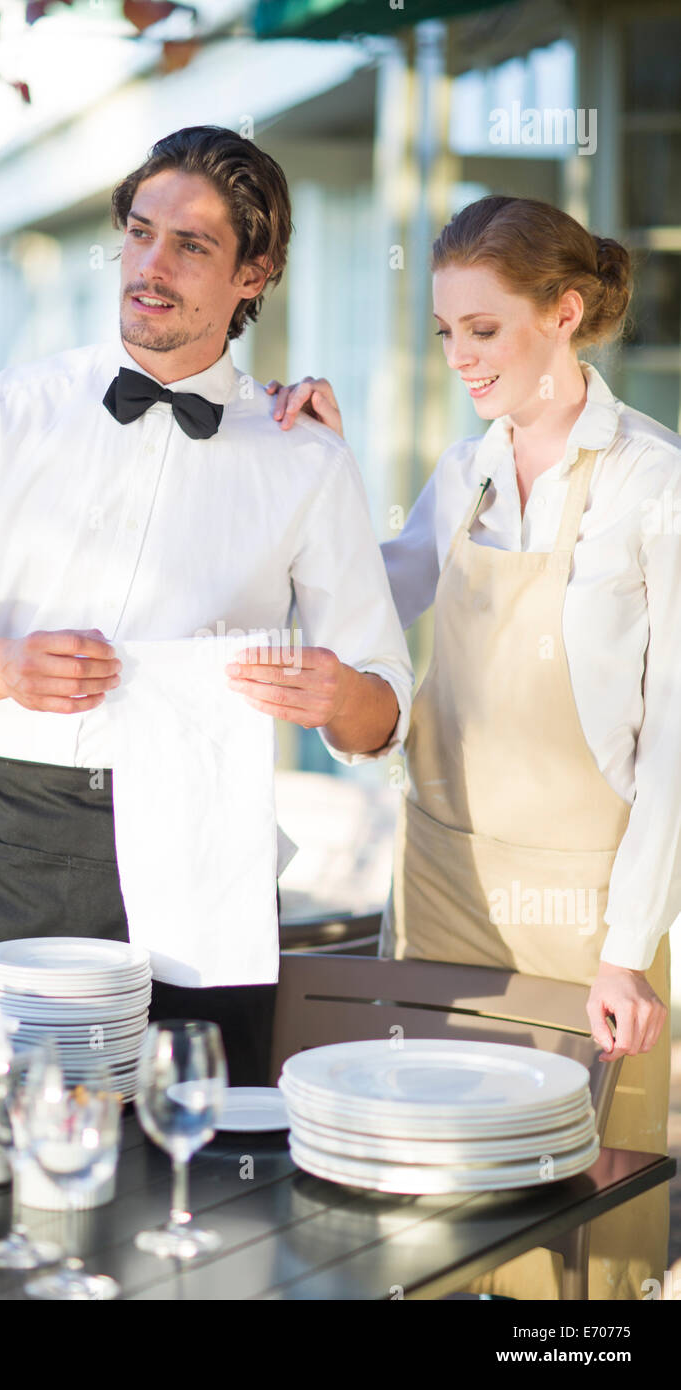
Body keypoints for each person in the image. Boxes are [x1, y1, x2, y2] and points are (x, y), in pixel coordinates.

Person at [0, 125, 413, 1089]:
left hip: (213, 859)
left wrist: (336, 698)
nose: (151, 267)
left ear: (257, 273)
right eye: (140, 231)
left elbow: (385, 710)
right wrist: (1, 665)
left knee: (199, 1178)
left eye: (193, 245)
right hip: (30, 848)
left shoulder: (305, 457)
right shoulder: (6, 413)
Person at [266, 194, 678, 1300]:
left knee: (573, 1243)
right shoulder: (466, 471)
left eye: (481, 330)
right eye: (444, 332)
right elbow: (369, 593)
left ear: (563, 311)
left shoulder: (652, 481)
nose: (458, 357)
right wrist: (322, 467)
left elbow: (675, 749)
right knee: (417, 1220)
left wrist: (626, 949)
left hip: (584, 921)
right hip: (442, 886)